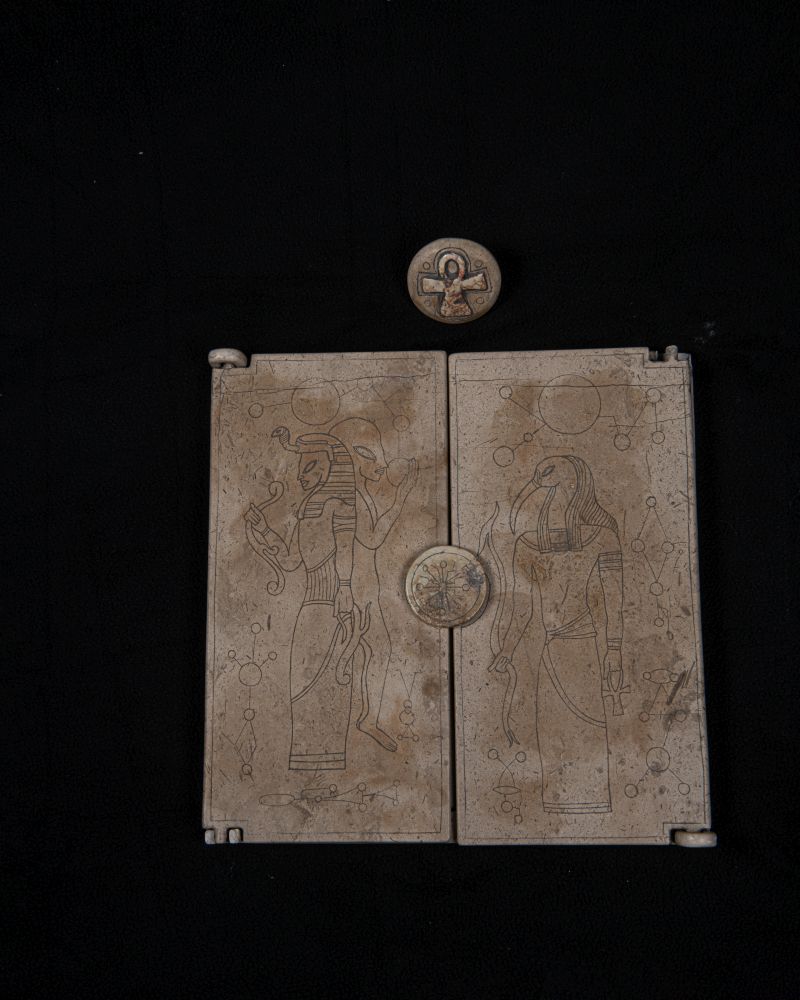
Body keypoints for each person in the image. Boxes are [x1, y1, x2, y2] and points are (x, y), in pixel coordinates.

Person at [482, 455, 624, 814]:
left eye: (550, 474)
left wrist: (614, 649)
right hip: (552, 652)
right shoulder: (528, 543)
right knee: (553, 730)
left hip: (584, 651)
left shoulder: (602, 536)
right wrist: (507, 650)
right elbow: (524, 606)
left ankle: (591, 799)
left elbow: (614, 601)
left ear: (574, 482)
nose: (542, 482)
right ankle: (559, 802)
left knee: (588, 727)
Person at [244, 428, 369, 770]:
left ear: (331, 469)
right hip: (309, 610)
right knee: (301, 686)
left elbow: (345, 550)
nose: (302, 474)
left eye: (311, 466)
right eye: (302, 467)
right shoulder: (305, 513)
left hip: (334, 606)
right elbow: (289, 561)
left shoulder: (339, 506)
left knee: (329, 681)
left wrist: (345, 588)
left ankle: (331, 761)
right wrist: (263, 529)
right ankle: (307, 764)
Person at [328, 417, 418, 752]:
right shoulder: (348, 497)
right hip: (356, 587)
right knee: (367, 650)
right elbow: (371, 538)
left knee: (371, 651)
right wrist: (402, 497)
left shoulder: (358, 494)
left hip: (364, 585)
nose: (379, 461)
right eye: (367, 453)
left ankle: (366, 717)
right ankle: (361, 720)